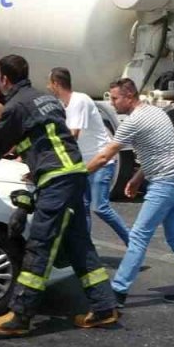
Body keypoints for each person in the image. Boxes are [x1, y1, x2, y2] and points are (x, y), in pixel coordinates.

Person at [0, 55, 119, 337]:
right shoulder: (45, 98)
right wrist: (36, 168)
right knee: (78, 244)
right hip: (73, 174)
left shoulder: (15, 106)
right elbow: (48, 139)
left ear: (3, 78)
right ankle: (104, 307)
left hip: (57, 180)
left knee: (40, 246)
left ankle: (20, 315)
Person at [87, 78, 174, 306]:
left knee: (139, 236)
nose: (112, 103)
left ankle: (118, 291)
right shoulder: (156, 113)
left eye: (115, 98)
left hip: (164, 184)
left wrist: (78, 173)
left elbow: (105, 155)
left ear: (129, 96)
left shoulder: (133, 122)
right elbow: (159, 150)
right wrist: (137, 177)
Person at [49, 67, 130, 245]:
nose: (49, 88)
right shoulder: (65, 105)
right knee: (83, 207)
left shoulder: (79, 100)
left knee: (100, 207)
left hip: (101, 161)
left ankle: (133, 242)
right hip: (85, 163)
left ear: (56, 83)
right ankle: (86, 250)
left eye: (50, 84)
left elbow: (73, 135)